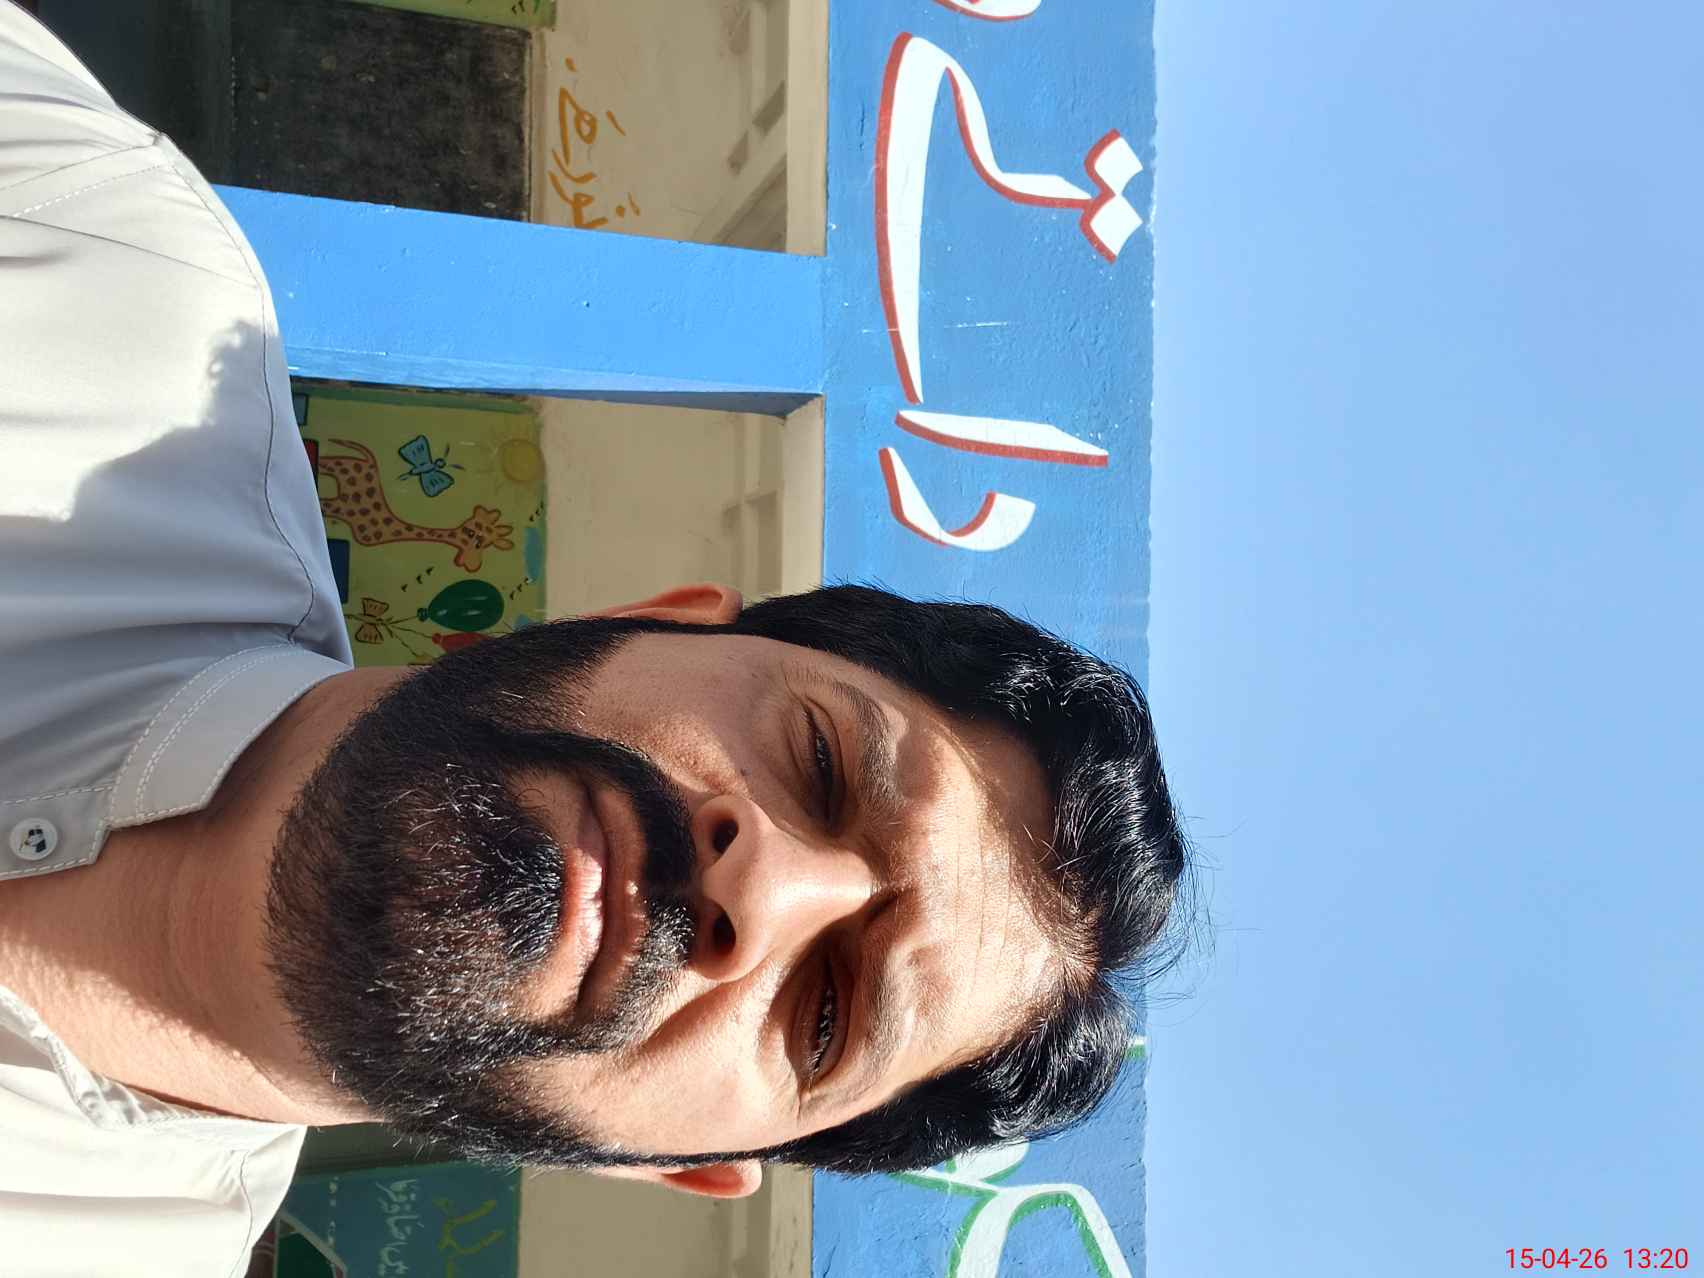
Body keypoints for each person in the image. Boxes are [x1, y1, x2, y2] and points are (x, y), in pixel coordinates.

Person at [0, 2, 1188, 1271]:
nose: (763, 890)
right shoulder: (92, 270)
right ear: (642, 620)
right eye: (820, 762)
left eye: (826, 1015)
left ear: (678, 1164)